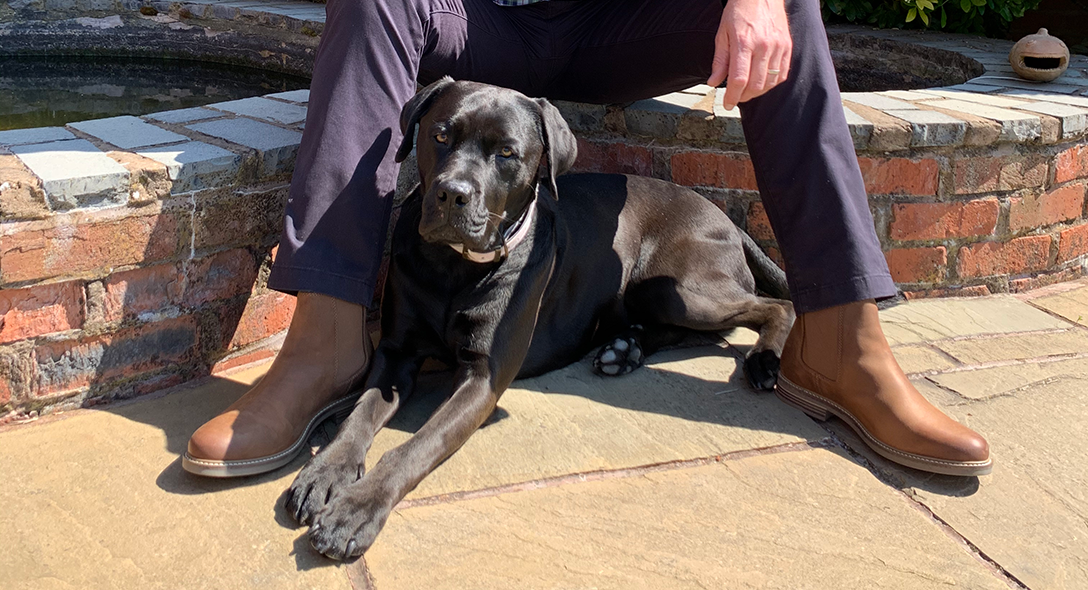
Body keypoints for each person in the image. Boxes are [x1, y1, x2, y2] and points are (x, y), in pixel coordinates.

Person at [183, 0, 991, 478]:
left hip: (613, 25)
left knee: (788, 5)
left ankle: (842, 344)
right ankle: (326, 340)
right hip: (481, 22)